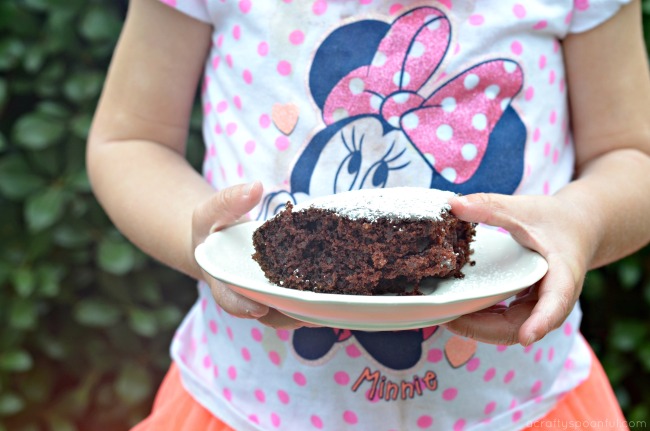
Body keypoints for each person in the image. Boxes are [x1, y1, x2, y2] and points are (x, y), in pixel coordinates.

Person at [86, 0, 650, 429]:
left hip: (523, 407)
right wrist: (209, 248)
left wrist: (583, 221)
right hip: (248, 408)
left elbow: (633, 154)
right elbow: (131, 139)